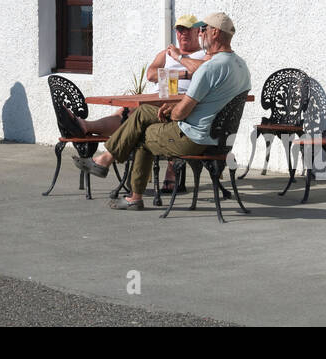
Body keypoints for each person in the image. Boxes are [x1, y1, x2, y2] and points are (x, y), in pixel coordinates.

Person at [75, 12, 250, 211]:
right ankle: (105, 161)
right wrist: (173, 108)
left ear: (215, 33)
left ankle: (131, 193)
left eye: (203, 30)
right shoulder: (241, 66)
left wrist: (171, 112)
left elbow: (180, 113)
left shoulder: (209, 68)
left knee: (142, 134)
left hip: (194, 138)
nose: (201, 35)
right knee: (143, 114)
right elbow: (207, 103)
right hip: (219, 139)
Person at [71, 14, 208, 137]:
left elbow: (203, 71)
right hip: (157, 96)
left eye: (188, 29)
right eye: (179, 30)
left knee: (130, 113)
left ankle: (87, 127)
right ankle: (86, 129)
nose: (183, 33)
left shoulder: (203, 55)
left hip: (178, 101)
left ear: (197, 31)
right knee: (124, 110)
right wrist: (183, 74)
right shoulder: (166, 53)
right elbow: (150, 75)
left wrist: (177, 61)